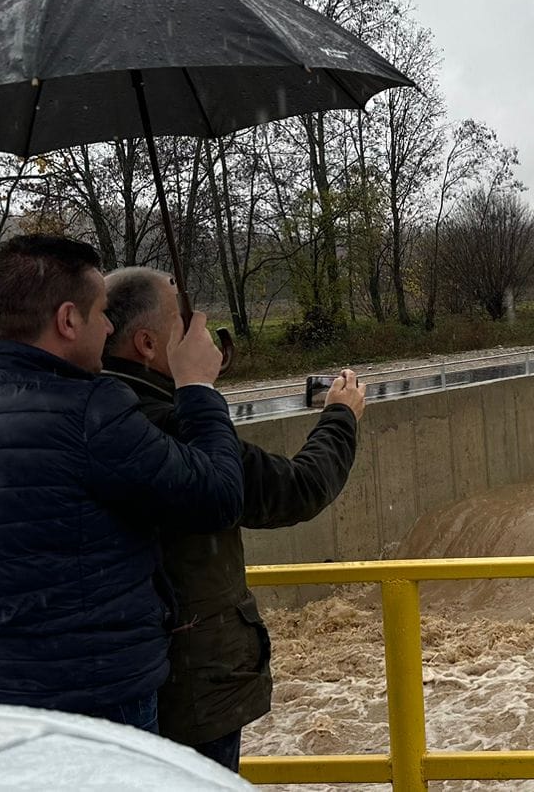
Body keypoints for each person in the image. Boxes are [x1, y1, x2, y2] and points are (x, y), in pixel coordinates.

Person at [0, 235, 244, 733]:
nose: (110, 327)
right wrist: (197, 387)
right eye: (102, 313)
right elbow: (217, 498)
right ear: (69, 320)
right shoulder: (93, 410)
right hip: (105, 707)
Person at [101, 267, 364, 770]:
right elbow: (296, 490)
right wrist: (340, 417)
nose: (200, 328)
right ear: (148, 344)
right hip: (194, 689)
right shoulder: (175, 427)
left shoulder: (86, 415)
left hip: (112, 689)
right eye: (185, 319)